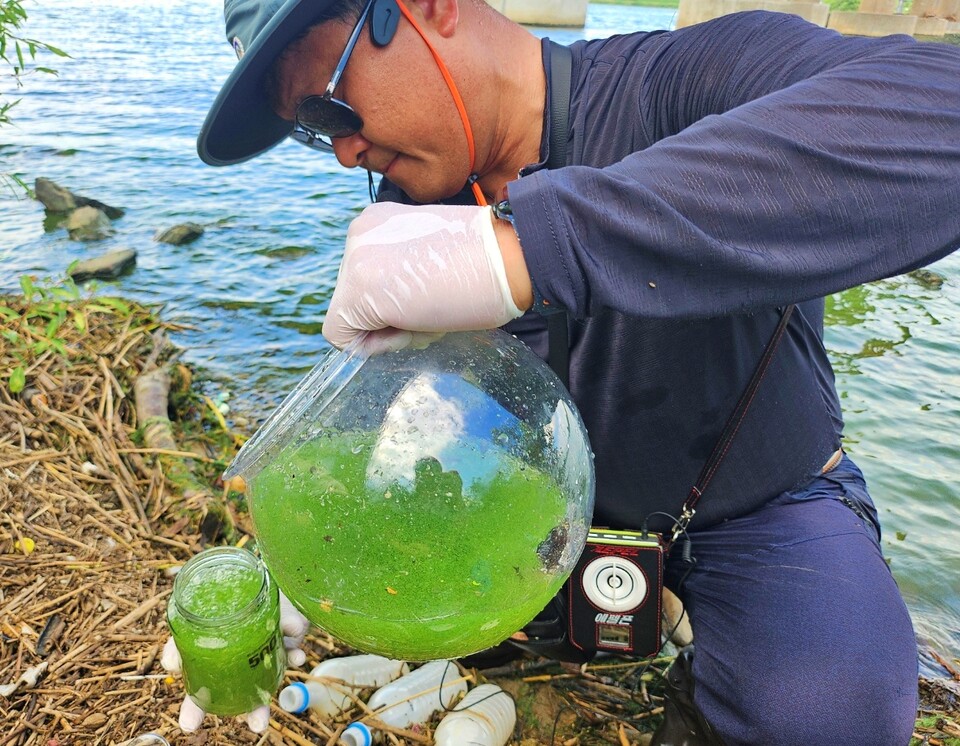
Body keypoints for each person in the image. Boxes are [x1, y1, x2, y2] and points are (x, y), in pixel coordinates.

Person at [194, 0, 960, 743]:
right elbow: (397, 428)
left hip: (758, 507)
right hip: (540, 529)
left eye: (328, 107)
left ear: (428, 6)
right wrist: (304, 560)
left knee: (828, 711)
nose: (342, 152)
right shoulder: (408, 218)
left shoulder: (685, 78)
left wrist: (528, 249)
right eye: (307, 134)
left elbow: (942, 110)